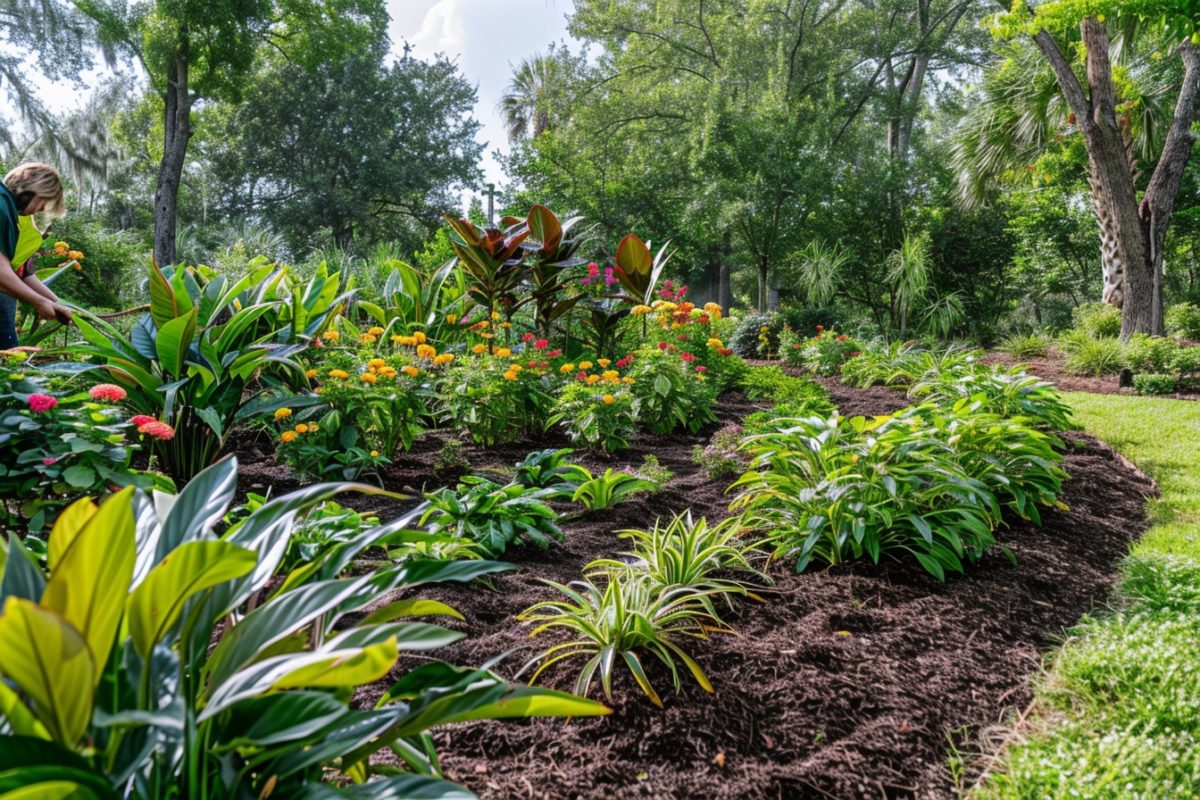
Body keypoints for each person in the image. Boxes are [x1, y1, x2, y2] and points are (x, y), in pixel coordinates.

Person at [0, 162, 72, 349]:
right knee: (8, 361)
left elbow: (23, 272)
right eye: (43, 202)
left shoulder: (8, 210)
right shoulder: (2, 207)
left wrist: (57, 304)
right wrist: (39, 302)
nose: (39, 210)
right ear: (31, 189)